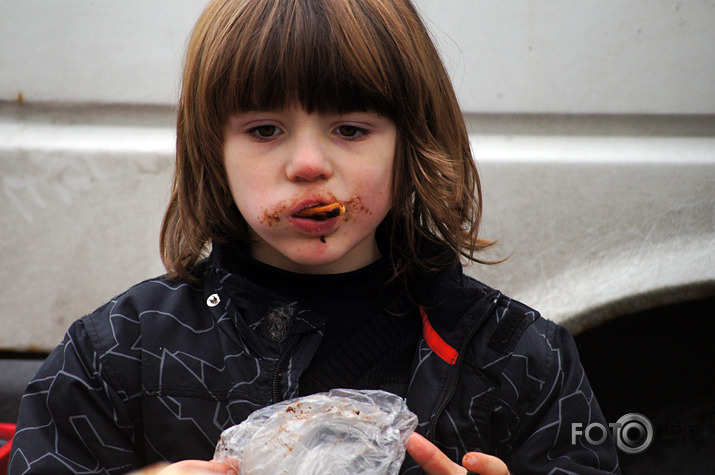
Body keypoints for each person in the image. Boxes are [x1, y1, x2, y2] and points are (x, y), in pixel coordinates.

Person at [9, 0, 620, 474]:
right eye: (266, 128)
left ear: (410, 146)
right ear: (212, 150)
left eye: (351, 129)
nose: (307, 164)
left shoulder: (516, 357)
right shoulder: (119, 353)